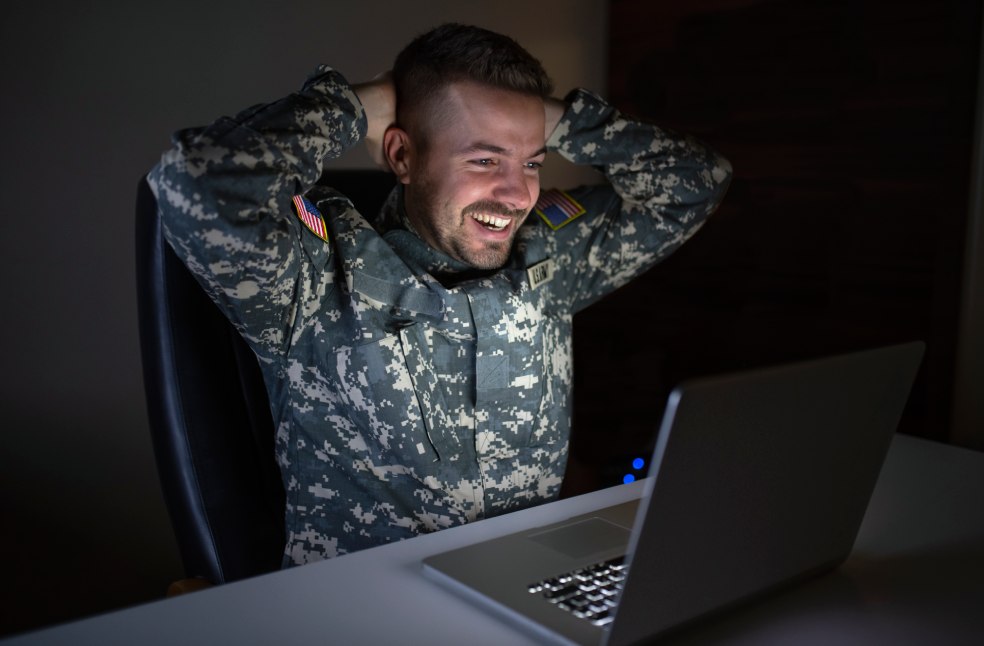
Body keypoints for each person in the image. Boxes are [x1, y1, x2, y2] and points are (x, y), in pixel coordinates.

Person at [149, 23, 731, 566]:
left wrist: (562, 121)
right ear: (402, 155)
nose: (516, 194)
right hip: (366, 617)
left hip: (526, 589)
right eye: (484, 159)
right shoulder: (313, 274)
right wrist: (360, 104)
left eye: (531, 161)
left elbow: (697, 182)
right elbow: (197, 180)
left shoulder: (552, 253)